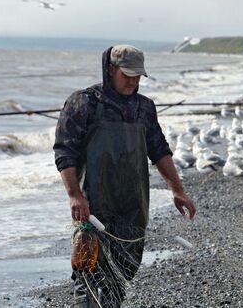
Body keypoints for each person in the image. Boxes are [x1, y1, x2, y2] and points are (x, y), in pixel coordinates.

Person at [53, 45, 196, 307]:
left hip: (133, 207)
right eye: (127, 74)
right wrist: (74, 196)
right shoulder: (83, 102)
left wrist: (178, 190)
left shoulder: (144, 107)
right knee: (89, 275)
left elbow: (159, 150)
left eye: (138, 75)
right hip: (93, 208)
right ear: (110, 70)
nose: (133, 81)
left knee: (121, 277)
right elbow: (65, 153)